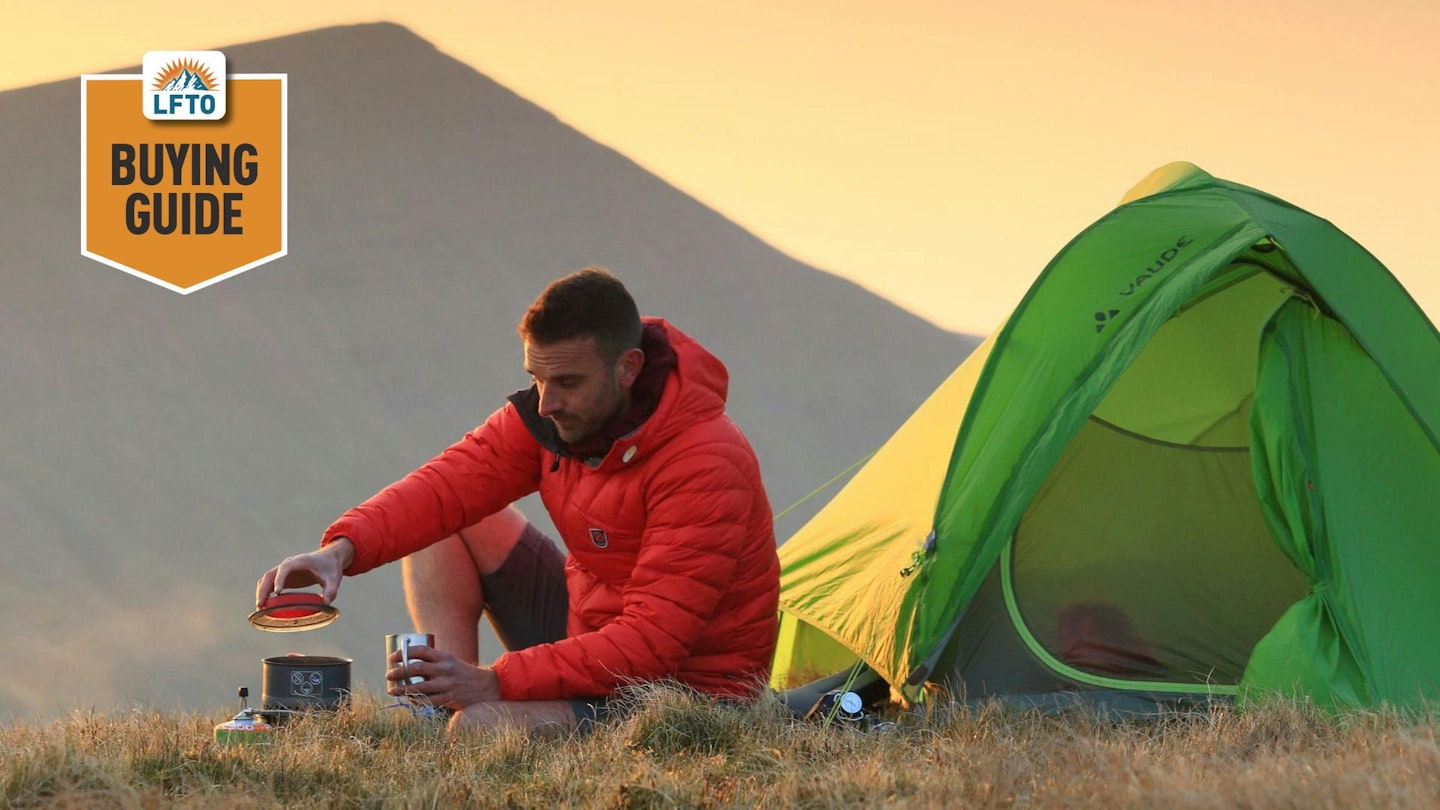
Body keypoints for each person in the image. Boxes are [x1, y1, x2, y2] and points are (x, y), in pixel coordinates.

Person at [255, 266, 781, 735]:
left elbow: (651, 643)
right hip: (589, 633)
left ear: (629, 367)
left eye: (568, 382)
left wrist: (494, 683)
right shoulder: (554, 418)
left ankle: (465, 707)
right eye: (536, 378)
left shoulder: (705, 459)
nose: (546, 403)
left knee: (484, 729)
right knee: (450, 522)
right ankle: (440, 707)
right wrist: (339, 551)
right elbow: (445, 487)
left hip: (684, 691)